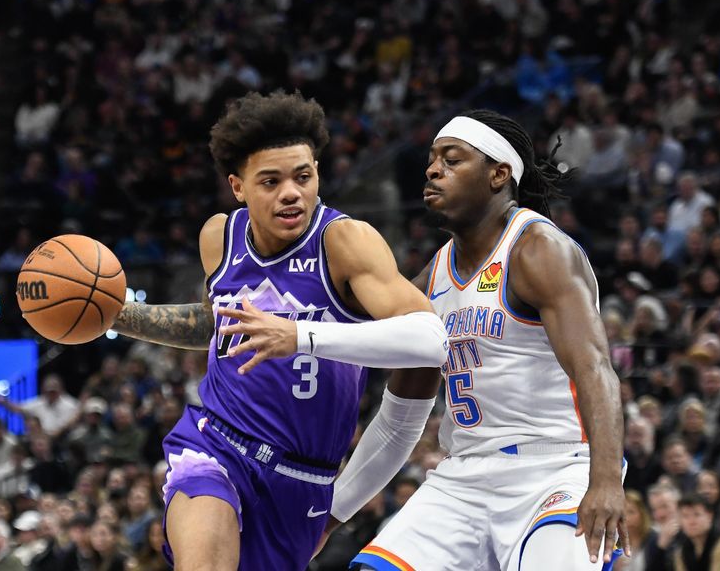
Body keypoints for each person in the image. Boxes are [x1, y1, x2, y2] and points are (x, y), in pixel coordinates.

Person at [110, 91, 449, 570]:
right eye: (270, 181)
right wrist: (121, 316)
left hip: (302, 480)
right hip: (217, 442)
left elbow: (430, 339)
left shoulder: (344, 242)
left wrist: (299, 336)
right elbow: (219, 325)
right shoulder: (220, 237)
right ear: (238, 187)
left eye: (303, 176)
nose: (291, 192)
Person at [319, 109, 627, 570]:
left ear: (498, 174)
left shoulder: (539, 249)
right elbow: (399, 422)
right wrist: (329, 516)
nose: (432, 169)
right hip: (464, 477)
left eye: (452, 159)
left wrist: (605, 479)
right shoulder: (433, 276)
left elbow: (595, 368)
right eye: (431, 159)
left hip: (554, 469)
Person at [674, 493, 720, 571]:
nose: (691, 522)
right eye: (685, 516)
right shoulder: (681, 551)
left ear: (709, 516)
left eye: (697, 515)